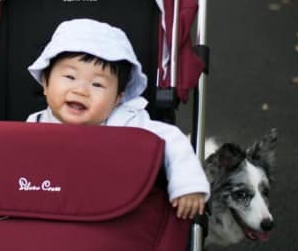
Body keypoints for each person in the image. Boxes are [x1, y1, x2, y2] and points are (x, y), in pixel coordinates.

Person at [27, 17, 210, 218]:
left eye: (97, 84)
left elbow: (172, 141)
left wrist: (188, 185)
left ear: (117, 99)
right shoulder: (33, 125)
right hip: (51, 207)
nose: (81, 90)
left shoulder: (127, 122)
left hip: (112, 209)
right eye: (70, 77)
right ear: (45, 83)